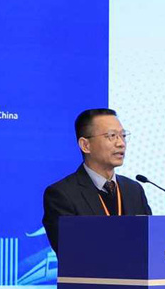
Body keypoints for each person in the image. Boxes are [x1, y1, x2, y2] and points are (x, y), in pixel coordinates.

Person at [41, 108, 152, 254]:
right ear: (85, 145)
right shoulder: (61, 194)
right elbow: (71, 251)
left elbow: (151, 242)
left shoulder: (134, 189)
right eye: (112, 136)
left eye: (123, 135)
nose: (121, 143)